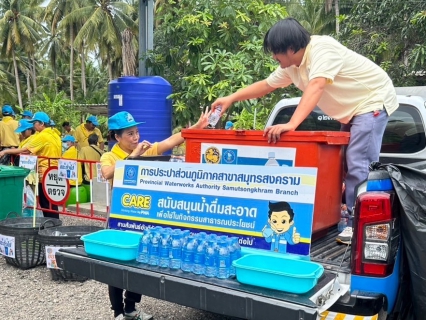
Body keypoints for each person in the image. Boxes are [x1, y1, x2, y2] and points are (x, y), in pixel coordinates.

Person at [211, 17, 398, 244]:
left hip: (372, 101)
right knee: (346, 165)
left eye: (275, 51)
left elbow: (316, 86)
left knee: (359, 162)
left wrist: (291, 124)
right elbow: (266, 85)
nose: (273, 57)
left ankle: (358, 225)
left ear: (291, 48)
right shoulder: (292, 66)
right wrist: (230, 98)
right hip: (352, 110)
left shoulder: (322, 50)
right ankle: (349, 216)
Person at [100, 110, 209, 320]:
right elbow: (107, 173)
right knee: (115, 261)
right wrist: (133, 156)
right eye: (130, 134)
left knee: (141, 259)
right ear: (117, 137)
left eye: (137, 132)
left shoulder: (146, 150)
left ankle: (131, 307)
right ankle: (117, 312)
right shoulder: (109, 156)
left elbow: (170, 142)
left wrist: (197, 126)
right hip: (120, 217)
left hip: (141, 217)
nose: (135, 138)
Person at [0, 112, 62, 218]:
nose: (33, 125)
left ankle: (50, 226)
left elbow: (26, 150)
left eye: (34, 123)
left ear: (41, 123)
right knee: (52, 202)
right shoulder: (55, 134)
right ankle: (54, 224)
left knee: (46, 203)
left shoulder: (43, 136)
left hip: (45, 172)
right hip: (56, 171)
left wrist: (6, 151)